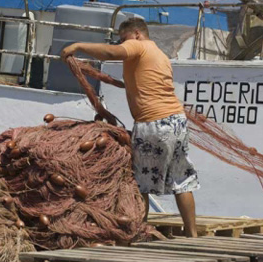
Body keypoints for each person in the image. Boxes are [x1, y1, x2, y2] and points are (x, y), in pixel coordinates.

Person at [61, 17, 200, 237]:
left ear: (136, 34)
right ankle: (192, 234)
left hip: (153, 124)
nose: (122, 45)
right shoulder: (159, 54)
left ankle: (138, 234)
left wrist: (78, 46)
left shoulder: (139, 45)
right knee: (181, 180)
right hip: (176, 122)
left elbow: (109, 53)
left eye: (124, 39)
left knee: (140, 183)